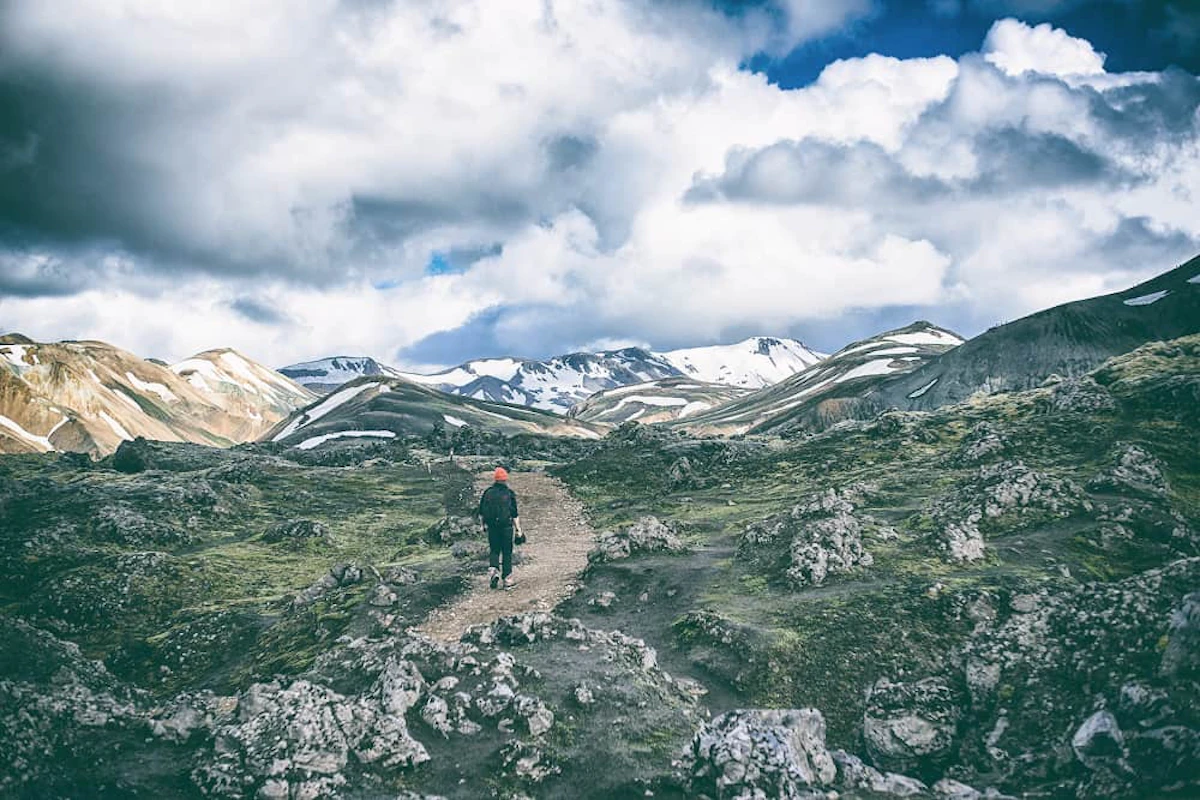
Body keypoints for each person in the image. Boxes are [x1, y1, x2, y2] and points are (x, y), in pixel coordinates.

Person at [479, 467, 522, 590]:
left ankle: (494, 570)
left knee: (494, 550)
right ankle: (507, 579)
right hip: (506, 527)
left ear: (495, 479)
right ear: (505, 479)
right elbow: (514, 514)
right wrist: (519, 530)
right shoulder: (509, 493)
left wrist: (482, 526)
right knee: (507, 552)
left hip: (492, 527)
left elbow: (481, 512)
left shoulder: (487, 492)